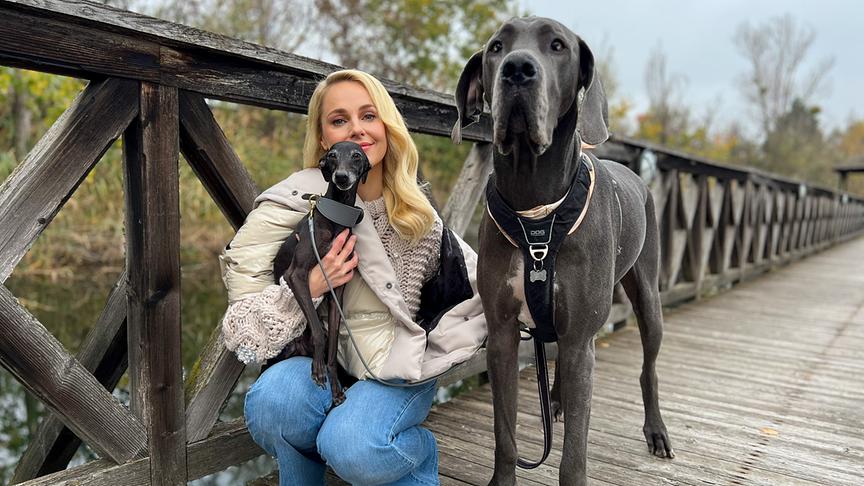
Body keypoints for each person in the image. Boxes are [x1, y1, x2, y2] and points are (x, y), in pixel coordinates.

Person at [219, 69, 487, 485]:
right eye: (340, 120)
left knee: (352, 445)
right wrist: (303, 291)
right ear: (324, 139)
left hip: (396, 364)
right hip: (318, 361)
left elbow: (479, 280)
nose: (358, 130)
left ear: (387, 126)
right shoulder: (289, 203)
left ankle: (415, 455)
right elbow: (240, 328)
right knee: (276, 405)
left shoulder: (416, 210)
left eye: (369, 115)